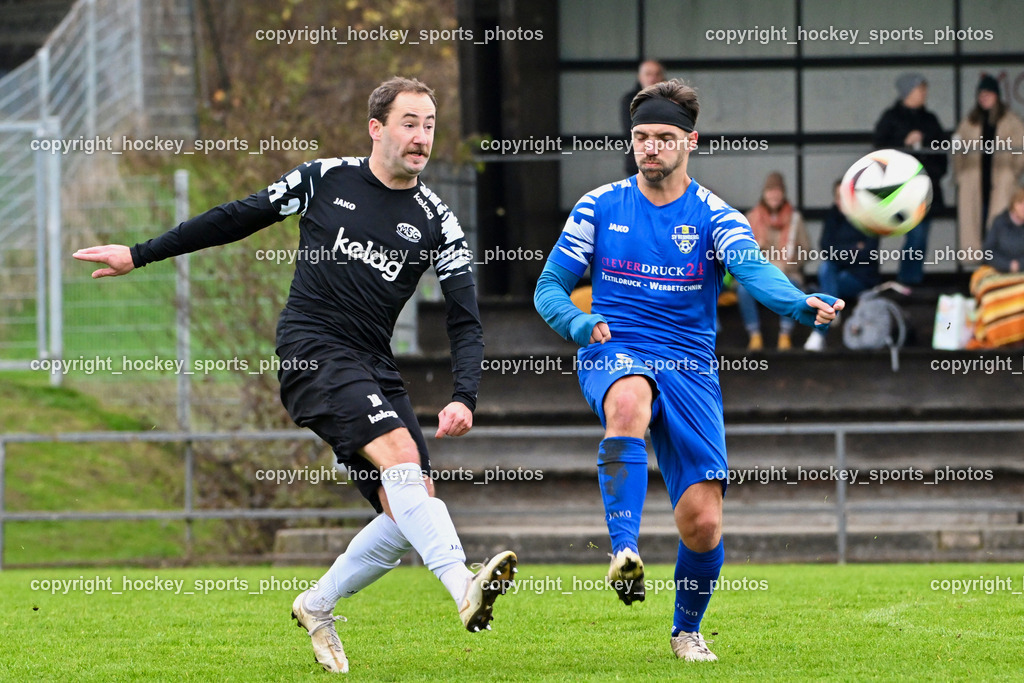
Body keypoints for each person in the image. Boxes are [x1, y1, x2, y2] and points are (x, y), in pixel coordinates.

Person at [72, 76, 517, 674]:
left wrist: (464, 394)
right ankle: (464, 585)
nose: (421, 137)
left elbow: (465, 319)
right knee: (399, 460)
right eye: (409, 123)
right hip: (312, 349)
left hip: (373, 364)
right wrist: (140, 252)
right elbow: (235, 218)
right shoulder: (324, 179)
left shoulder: (438, 220)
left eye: (430, 125)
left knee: (407, 507)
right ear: (376, 128)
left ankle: (317, 603)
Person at [534, 79, 842, 662]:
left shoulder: (714, 214)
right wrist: (577, 324)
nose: (649, 148)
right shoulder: (598, 206)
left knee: (702, 523)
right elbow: (549, 287)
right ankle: (623, 550)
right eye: (641, 137)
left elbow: (754, 273)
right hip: (613, 343)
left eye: (663, 138)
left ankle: (685, 631)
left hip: (690, 364)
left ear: (690, 141)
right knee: (628, 399)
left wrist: (801, 304)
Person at [873, 73, 948, 285]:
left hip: (925, 186)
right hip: (899, 187)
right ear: (908, 92)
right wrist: (904, 142)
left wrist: (933, 171)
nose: (924, 94)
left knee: (919, 236)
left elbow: (941, 151)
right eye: (920, 90)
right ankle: (905, 279)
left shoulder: (930, 119)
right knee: (910, 235)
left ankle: (910, 279)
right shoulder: (890, 118)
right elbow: (878, 149)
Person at [953, 74, 1024, 262]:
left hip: (1001, 182)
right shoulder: (970, 121)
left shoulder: (1011, 121)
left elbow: (1020, 150)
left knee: (996, 225)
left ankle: (997, 265)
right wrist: (960, 176)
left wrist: (1013, 174)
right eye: (981, 93)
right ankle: (977, 271)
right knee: (975, 225)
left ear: (997, 95)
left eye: (988, 93)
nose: (984, 97)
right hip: (974, 182)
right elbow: (957, 150)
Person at [735, 172, 809, 351]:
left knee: (791, 286)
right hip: (759, 274)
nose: (774, 195)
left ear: (783, 193)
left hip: (788, 273)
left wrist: (785, 266)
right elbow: (739, 253)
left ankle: (785, 335)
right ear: (764, 193)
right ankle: (754, 336)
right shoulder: (751, 217)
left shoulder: (795, 218)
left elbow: (805, 250)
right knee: (742, 290)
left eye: (777, 191)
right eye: (770, 191)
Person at [804, 180, 881, 351]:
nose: (843, 201)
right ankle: (831, 311)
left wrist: (839, 252)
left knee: (825, 288)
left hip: (861, 279)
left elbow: (869, 252)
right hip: (836, 276)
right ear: (835, 200)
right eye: (839, 197)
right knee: (825, 268)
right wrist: (854, 249)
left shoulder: (868, 218)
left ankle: (820, 331)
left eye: (847, 196)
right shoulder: (833, 216)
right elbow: (825, 247)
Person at [971, 186, 1024, 347]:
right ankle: (996, 331)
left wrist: (1019, 265)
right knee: (989, 288)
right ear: (1014, 205)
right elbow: (988, 251)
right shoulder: (999, 222)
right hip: (1000, 266)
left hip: (1021, 267)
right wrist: (1007, 265)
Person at [620, 60, 666, 175]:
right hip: (637, 160)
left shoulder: (671, 100)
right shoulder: (629, 101)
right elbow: (632, 130)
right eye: (648, 74)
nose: (652, 78)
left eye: (656, 74)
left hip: (665, 159)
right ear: (640, 77)